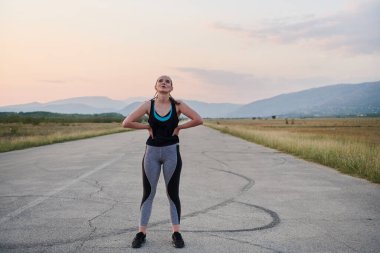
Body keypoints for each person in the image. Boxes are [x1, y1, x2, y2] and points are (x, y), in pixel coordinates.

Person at [122, 75, 203, 248]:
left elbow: (198, 119)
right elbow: (126, 123)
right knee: (148, 193)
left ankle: (176, 233)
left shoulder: (178, 105)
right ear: (155, 86)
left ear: (172, 88)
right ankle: (141, 233)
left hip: (171, 152)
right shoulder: (148, 105)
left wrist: (180, 126)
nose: (164, 83)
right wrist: (147, 126)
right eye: (161, 81)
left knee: (172, 193)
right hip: (151, 152)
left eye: (168, 81)